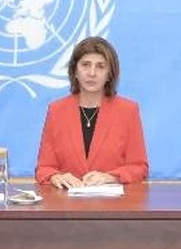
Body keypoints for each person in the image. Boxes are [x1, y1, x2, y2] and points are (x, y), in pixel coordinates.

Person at [35, 37, 148, 188]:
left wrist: (110, 177)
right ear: (75, 71)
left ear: (110, 74)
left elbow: (139, 167)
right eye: (85, 65)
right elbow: (44, 168)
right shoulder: (56, 110)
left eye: (100, 66)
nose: (92, 73)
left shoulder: (128, 110)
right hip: (67, 201)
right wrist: (55, 177)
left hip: (113, 201)